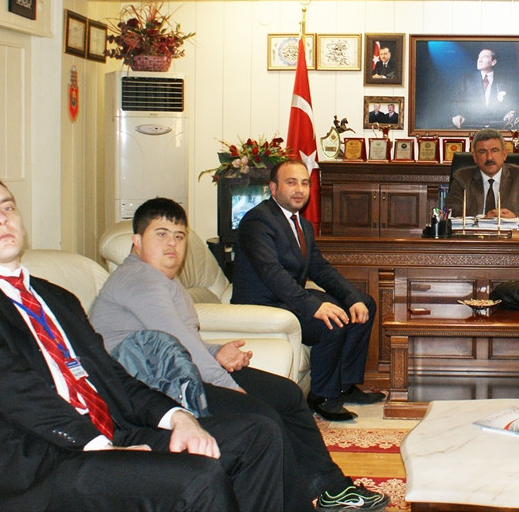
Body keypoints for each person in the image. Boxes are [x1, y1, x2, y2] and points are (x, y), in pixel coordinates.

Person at [0, 172, 284, 512]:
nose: (0, 219)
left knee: (256, 433)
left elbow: (113, 376)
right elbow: (6, 386)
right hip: (38, 461)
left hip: (111, 431)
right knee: (198, 479)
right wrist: (99, 447)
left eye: (7, 208)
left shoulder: (56, 298)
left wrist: (179, 418)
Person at [90, 197, 390, 512]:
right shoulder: (140, 279)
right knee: (263, 416)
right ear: (137, 241)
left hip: (175, 374)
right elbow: (180, 343)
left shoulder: (166, 281)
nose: (172, 244)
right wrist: (228, 385)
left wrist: (216, 352)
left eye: (179, 236)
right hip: (149, 389)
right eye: (161, 234)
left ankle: (330, 488)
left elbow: (178, 342)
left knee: (286, 394)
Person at [231, 159, 383, 421]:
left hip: (287, 299)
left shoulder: (302, 224)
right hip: (264, 305)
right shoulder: (258, 220)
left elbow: (320, 269)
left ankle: (344, 386)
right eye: (291, 183)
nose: (299, 190)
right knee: (330, 322)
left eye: (304, 183)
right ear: (273, 188)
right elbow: (272, 273)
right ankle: (322, 396)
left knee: (364, 303)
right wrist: (314, 306)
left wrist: (352, 297)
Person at [446, 128, 519, 227]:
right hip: (474, 236)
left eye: (494, 150)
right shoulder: (462, 178)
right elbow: (451, 212)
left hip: (511, 237)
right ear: (475, 157)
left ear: (504, 154)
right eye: (482, 151)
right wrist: (482, 219)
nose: (489, 157)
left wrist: (515, 217)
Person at [451, 48, 519, 129]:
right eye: (479, 57)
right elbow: (455, 100)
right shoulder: (467, 80)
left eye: (485, 57)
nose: (479, 60)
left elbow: (513, 103)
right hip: (471, 126)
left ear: (493, 62)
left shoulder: (504, 81)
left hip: (498, 127)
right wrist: (456, 114)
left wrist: (509, 113)